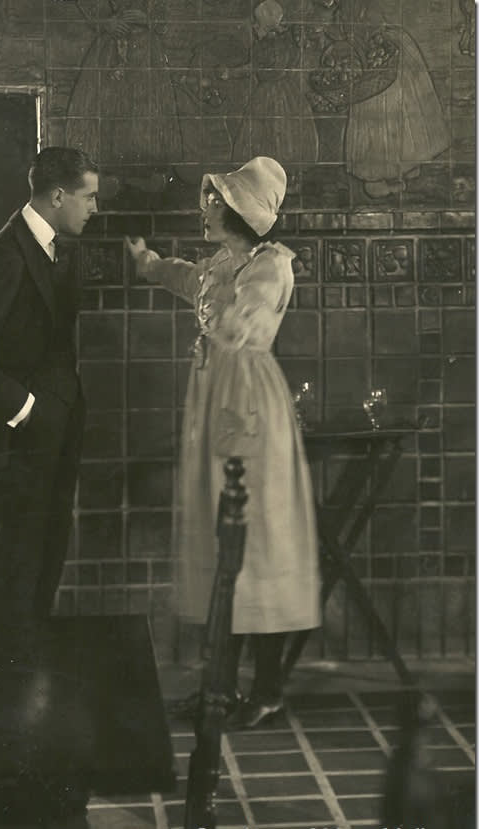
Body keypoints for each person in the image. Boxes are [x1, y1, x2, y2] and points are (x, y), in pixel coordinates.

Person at [126, 157, 320, 728]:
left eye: (215, 202)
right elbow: (189, 279)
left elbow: (241, 326)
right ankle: (220, 687)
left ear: (239, 212)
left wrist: (215, 321)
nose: (205, 209)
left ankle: (267, 690)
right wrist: (151, 265)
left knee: (255, 544)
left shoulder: (271, 266)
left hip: (249, 403)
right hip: (217, 396)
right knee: (221, 542)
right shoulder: (223, 263)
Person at [0, 146, 98, 626]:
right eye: (89, 197)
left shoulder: (49, 244)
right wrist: (28, 409)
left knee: (45, 555)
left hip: (53, 432)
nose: (95, 208)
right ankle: (2, 662)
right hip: (21, 440)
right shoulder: (5, 257)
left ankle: (28, 659)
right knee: (16, 566)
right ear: (58, 196)